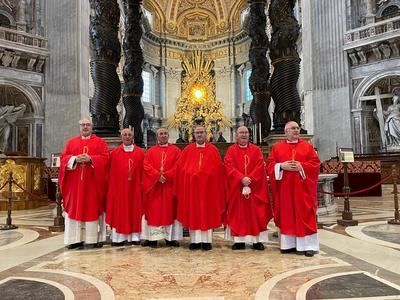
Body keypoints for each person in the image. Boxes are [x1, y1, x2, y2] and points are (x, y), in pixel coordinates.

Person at [266, 121, 320, 257]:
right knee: (287, 215)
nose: (296, 130)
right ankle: (288, 244)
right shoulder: (277, 148)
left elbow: (315, 164)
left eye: (297, 128)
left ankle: (308, 246)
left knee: (305, 215)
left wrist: (302, 166)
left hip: (302, 189)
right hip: (285, 190)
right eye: (293, 128)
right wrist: (281, 166)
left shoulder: (308, 147)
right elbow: (270, 165)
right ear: (286, 132)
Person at [59, 117, 109, 249]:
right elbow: (63, 158)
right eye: (82, 125)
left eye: (87, 125)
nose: (85, 127)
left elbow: (106, 159)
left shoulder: (100, 143)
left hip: (93, 185)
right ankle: (74, 240)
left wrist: (91, 159)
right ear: (79, 127)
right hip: (74, 186)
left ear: (92, 127)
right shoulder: (71, 143)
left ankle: (92, 239)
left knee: (91, 208)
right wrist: (74, 158)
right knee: (74, 208)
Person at [174, 125, 225, 251]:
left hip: (209, 189)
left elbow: (219, 169)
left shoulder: (213, 150)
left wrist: (207, 175)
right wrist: (190, 174)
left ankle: (206, 241)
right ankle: (195, 241)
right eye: (197, 133)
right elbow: (180, 168)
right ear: (194, 135)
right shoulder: (187, 150)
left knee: (206, 213)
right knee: (194, 213)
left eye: (202, 132)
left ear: (206, 134)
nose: (200, 135)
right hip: (192, 189)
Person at [224, 126, 273, 250]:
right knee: (238, 214)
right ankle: (239, 241)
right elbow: (229, 166)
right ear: (236, 135)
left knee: (256, 214)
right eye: (241, 133)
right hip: (237, 188)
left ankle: (257, 241)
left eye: (246, 132)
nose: (244, 135)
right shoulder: (231, 150)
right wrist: (241, 178)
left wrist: (250, 178)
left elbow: (260, 166)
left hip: (254, 188)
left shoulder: (256, 150)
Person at [141, 128, 182, 248]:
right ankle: (152, 238)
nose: (163, 136)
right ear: (157, 137)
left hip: (169, 186)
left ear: (168, 136)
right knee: (154, 211)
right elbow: (146, 166)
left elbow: (178, 166)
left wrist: (167, 175)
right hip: (155, 187)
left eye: (165, 133)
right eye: (161, 134)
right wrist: (157, 176)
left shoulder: (176, 151)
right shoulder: (150, 151)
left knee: (170, 211)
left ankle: (171, 238)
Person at [106, 128, 144, 246]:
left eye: (129, 135)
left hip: (136, 188)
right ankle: (119, 238)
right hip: (119, 189)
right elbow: (108, 172)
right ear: (121, 137)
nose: (127, 137)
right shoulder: (114, 154)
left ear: (132, 137)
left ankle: (135, 237)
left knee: (135, 211)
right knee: (120, 211)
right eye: (125, 135)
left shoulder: (141, 153)